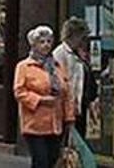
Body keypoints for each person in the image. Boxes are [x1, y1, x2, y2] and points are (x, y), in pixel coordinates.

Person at [13, 24, 74, 168]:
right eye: (42, 42)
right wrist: (39, 100)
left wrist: (70, 118)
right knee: (41, 161)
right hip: (35, 123)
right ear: (34, 45)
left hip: (55, 123)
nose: (46, 45)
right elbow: (19, 91)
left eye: (48, 41)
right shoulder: (24, 66)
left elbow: (66, 93)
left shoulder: (57, 66)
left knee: (53, 159)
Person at [54, 18, 95, 143]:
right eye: (82, 38)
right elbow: (60, 80)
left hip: (79, 105)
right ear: (73, 36)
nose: (83, 41)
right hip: (66, 106)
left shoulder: (78, 54)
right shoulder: (60, 53)